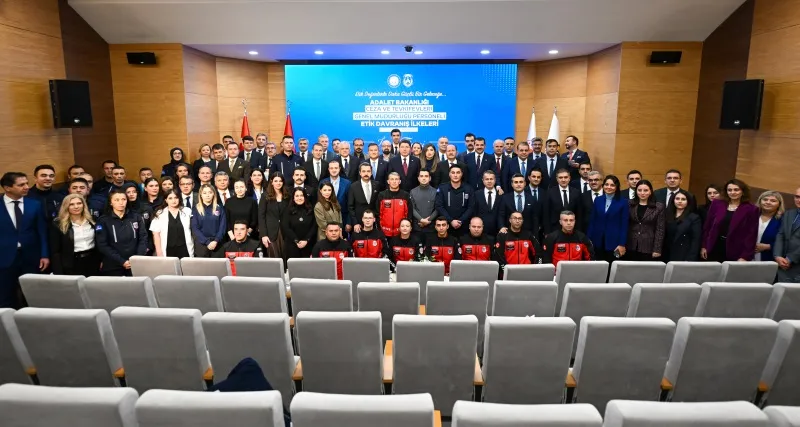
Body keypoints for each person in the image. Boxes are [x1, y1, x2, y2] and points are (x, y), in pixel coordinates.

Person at [0, 172, 49, 308]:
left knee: (34, 295)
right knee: (5, 296)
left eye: (27, 183)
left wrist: (44, 254)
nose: (27, 187)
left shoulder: (35, 204)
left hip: (31, 256)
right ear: (7, 188)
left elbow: (42, 232)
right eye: (21, 185)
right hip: (4, 258)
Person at [701, 179, 759, 262]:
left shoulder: (751, 209)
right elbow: (708, 226)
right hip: (714, 246)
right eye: (729, 190)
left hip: (735, 250)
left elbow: (751, 235)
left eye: (736, 190)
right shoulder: (717, 204)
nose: (732, 192)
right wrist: (704, 246)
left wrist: (745, 256)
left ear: (743, 191)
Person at [95, 189, 148, 276]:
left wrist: (137, 259)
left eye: (123, 199)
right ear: (111, 202)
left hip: (135, 263)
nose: (121, 203)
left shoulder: (136, 217)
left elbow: (143, 238)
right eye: (116, 200)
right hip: (113, 264)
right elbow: (102, 245)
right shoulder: (103, 220)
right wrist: (122, 261)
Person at [587, 175, 629, 264]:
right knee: (599, 266)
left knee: (612, 266)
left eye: (612, 185)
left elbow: (624, 225)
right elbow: (593, 221)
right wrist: (588, 239)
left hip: (614, 242)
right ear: (603, 185)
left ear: (617, 187)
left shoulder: (623, 202)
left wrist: (622, 244)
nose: (609, 187)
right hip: (597, 240)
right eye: (606, 184)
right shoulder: (598, 200)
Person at [627, 180, 666, 261]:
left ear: (650, 191)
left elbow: (660, 230)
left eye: (645, 190)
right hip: (630, 244)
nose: (642, 193)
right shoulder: (629, 204)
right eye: (639, 190)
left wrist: (657, 249)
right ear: (636, 191)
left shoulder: (658, 207)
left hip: (648, 246)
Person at [150, 190, 194, 258]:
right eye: (170, 198)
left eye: (176, 197)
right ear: (166, 200)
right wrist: (159, 252)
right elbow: (156, 234)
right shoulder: (160, 213)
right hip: (168, 249)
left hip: (185, 248)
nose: (173, 200)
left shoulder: (187, 211)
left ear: (179, 199)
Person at [435, 164, 474, 238]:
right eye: (453, 173)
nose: (455, 175)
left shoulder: (469, 189)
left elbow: (471, 207)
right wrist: (451, 220)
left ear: (461, 174)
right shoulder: (442, 188)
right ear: (449, 174)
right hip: (447, 226)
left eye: (458, 172)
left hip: (464, 226)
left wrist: (461, 220)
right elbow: (439, 206)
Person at [664, 190, 702, 262]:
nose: (680, 201)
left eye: (683, 199)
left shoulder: (694, 218)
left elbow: (696, 240)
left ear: (688, 202)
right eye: (677, 199)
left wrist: (690, 258)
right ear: (673, 200)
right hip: (667, 253)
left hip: (684, 254)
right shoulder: (667, 215)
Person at [259, 172, 289, 259]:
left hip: (285, 232)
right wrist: (264, 235)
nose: (278, 183)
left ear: (283, 182)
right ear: (271, 182)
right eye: (276, 181)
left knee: (285, 257)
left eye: (280, 181)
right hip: (270, 233)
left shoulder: (288, 196)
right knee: (274, 258)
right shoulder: (265, 196)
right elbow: (261, 216)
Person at [191, 184, 227, 258]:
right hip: (201, 244)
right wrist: (207, 242)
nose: (207, 195)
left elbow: (222, 227)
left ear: (213, 194)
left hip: (217, 244)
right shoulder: (195, 209)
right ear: (201, 195)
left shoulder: (219, 208)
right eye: (204, 193)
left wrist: (216, 240)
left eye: (210, 192)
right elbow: (195, 228)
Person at [543, 169, 581, 235]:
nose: (563, 180)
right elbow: (546, 214)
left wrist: (578, 231)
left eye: (565, 177)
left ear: (569, 178)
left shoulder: (576, 192)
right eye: (560, 177)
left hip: (572, 229)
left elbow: (579, 214)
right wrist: (547, 232)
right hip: (554, 229)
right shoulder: (550, 192)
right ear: (557, 179)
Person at [281, 188, 316, 260]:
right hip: (292, 244)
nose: (299, 198)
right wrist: (296, 240)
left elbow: (314, 227)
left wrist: (306, 240)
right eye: (297, 196)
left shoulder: (311, 210)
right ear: (293, 198)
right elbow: (286, 227)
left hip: (308, 244)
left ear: (305, 197)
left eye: (301, 195)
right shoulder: (287, 210)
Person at [774, 186, 800, 282]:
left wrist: (790, 259)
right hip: (783, 266)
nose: (799, 200)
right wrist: (777, 256)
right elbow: (780, 234)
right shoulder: (789, 213)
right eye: (797, 197)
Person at [375, 172, 412, 238]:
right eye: (392, 179)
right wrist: (379, 229)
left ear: (399, 181)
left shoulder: (405, 195)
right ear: (388, 181)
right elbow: (377, 214)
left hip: (401, 233)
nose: (394, 181)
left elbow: (409, 214)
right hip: (384, 232)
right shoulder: (382, 195)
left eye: (396, 179)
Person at [347, 163, 378, 232]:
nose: (366, 173)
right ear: (360, 173)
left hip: (374, 223)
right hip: (358, 224)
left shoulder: (377, 185)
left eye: (368, 171)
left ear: (371, 173)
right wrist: (355, 223)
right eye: (363, 171)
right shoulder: (353, 186)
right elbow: (350, 207)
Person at [754, 190, 784, 262]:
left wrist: (769, 246)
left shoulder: (784, 220)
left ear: (779, 204)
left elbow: (788, 241)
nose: (768, 202)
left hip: (769, 259)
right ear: (760, 201)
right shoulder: (751, 215)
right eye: (765, 199)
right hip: (745, 257)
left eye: (773, 201)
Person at [410, 169, 437, 234]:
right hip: (417, 227)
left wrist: (427, 221)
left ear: (430, 178)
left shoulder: (435, 192)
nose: (424, 178)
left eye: (426, 176)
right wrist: (421, 220)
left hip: (431, 227)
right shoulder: (413, 192)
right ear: (418, 178)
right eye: (421, 176)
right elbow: (412, 208)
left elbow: (438, 209)